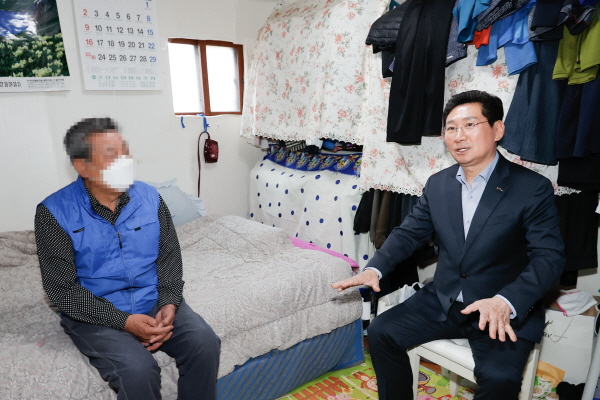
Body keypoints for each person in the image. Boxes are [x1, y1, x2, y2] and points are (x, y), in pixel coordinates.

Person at [332, 90, 565, 400]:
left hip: (499, 307)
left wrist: (505, 301)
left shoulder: (531, 188)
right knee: (381, 332)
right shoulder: (439, 184)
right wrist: (375, 268)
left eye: (470, 125)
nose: (458, 136)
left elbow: (549, 258)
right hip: (444, 299)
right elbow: (409, 233)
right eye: (451, 128)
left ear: (497, 129)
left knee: (500, 379)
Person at [34, 118, 221, 400]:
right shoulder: (54, 212)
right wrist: (124, 321)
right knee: (138, 370)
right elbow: (62, 291)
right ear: (82, 166)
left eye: (125, 151)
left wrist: (169, 302)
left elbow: (169, 256)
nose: (124, 161)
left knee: (204, 343)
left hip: (152, 298)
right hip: (96, 311)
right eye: (112, 155)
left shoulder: (149, 197)